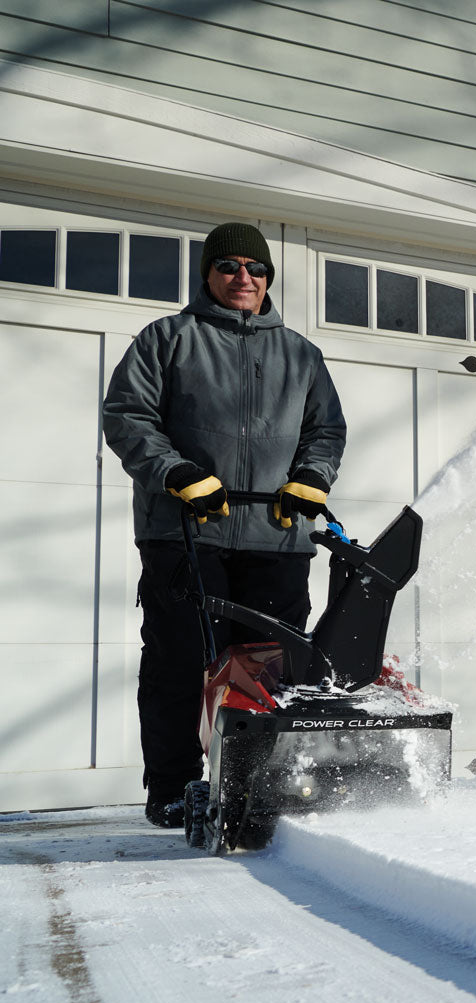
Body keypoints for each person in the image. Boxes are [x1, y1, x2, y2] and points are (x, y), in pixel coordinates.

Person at [103, 222, 346, 828]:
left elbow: (326, 431)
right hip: (185, 531)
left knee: (271, 669)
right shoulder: (168, 339)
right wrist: (176, 471)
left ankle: (263, 787)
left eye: (257, 269)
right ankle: (175, 791)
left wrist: (312, 478)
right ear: (209, 273)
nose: (245, 278)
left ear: (268, 281)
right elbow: (128, 415)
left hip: (276, 536)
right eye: (231, 266)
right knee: (179, 663)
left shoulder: (300, 354)